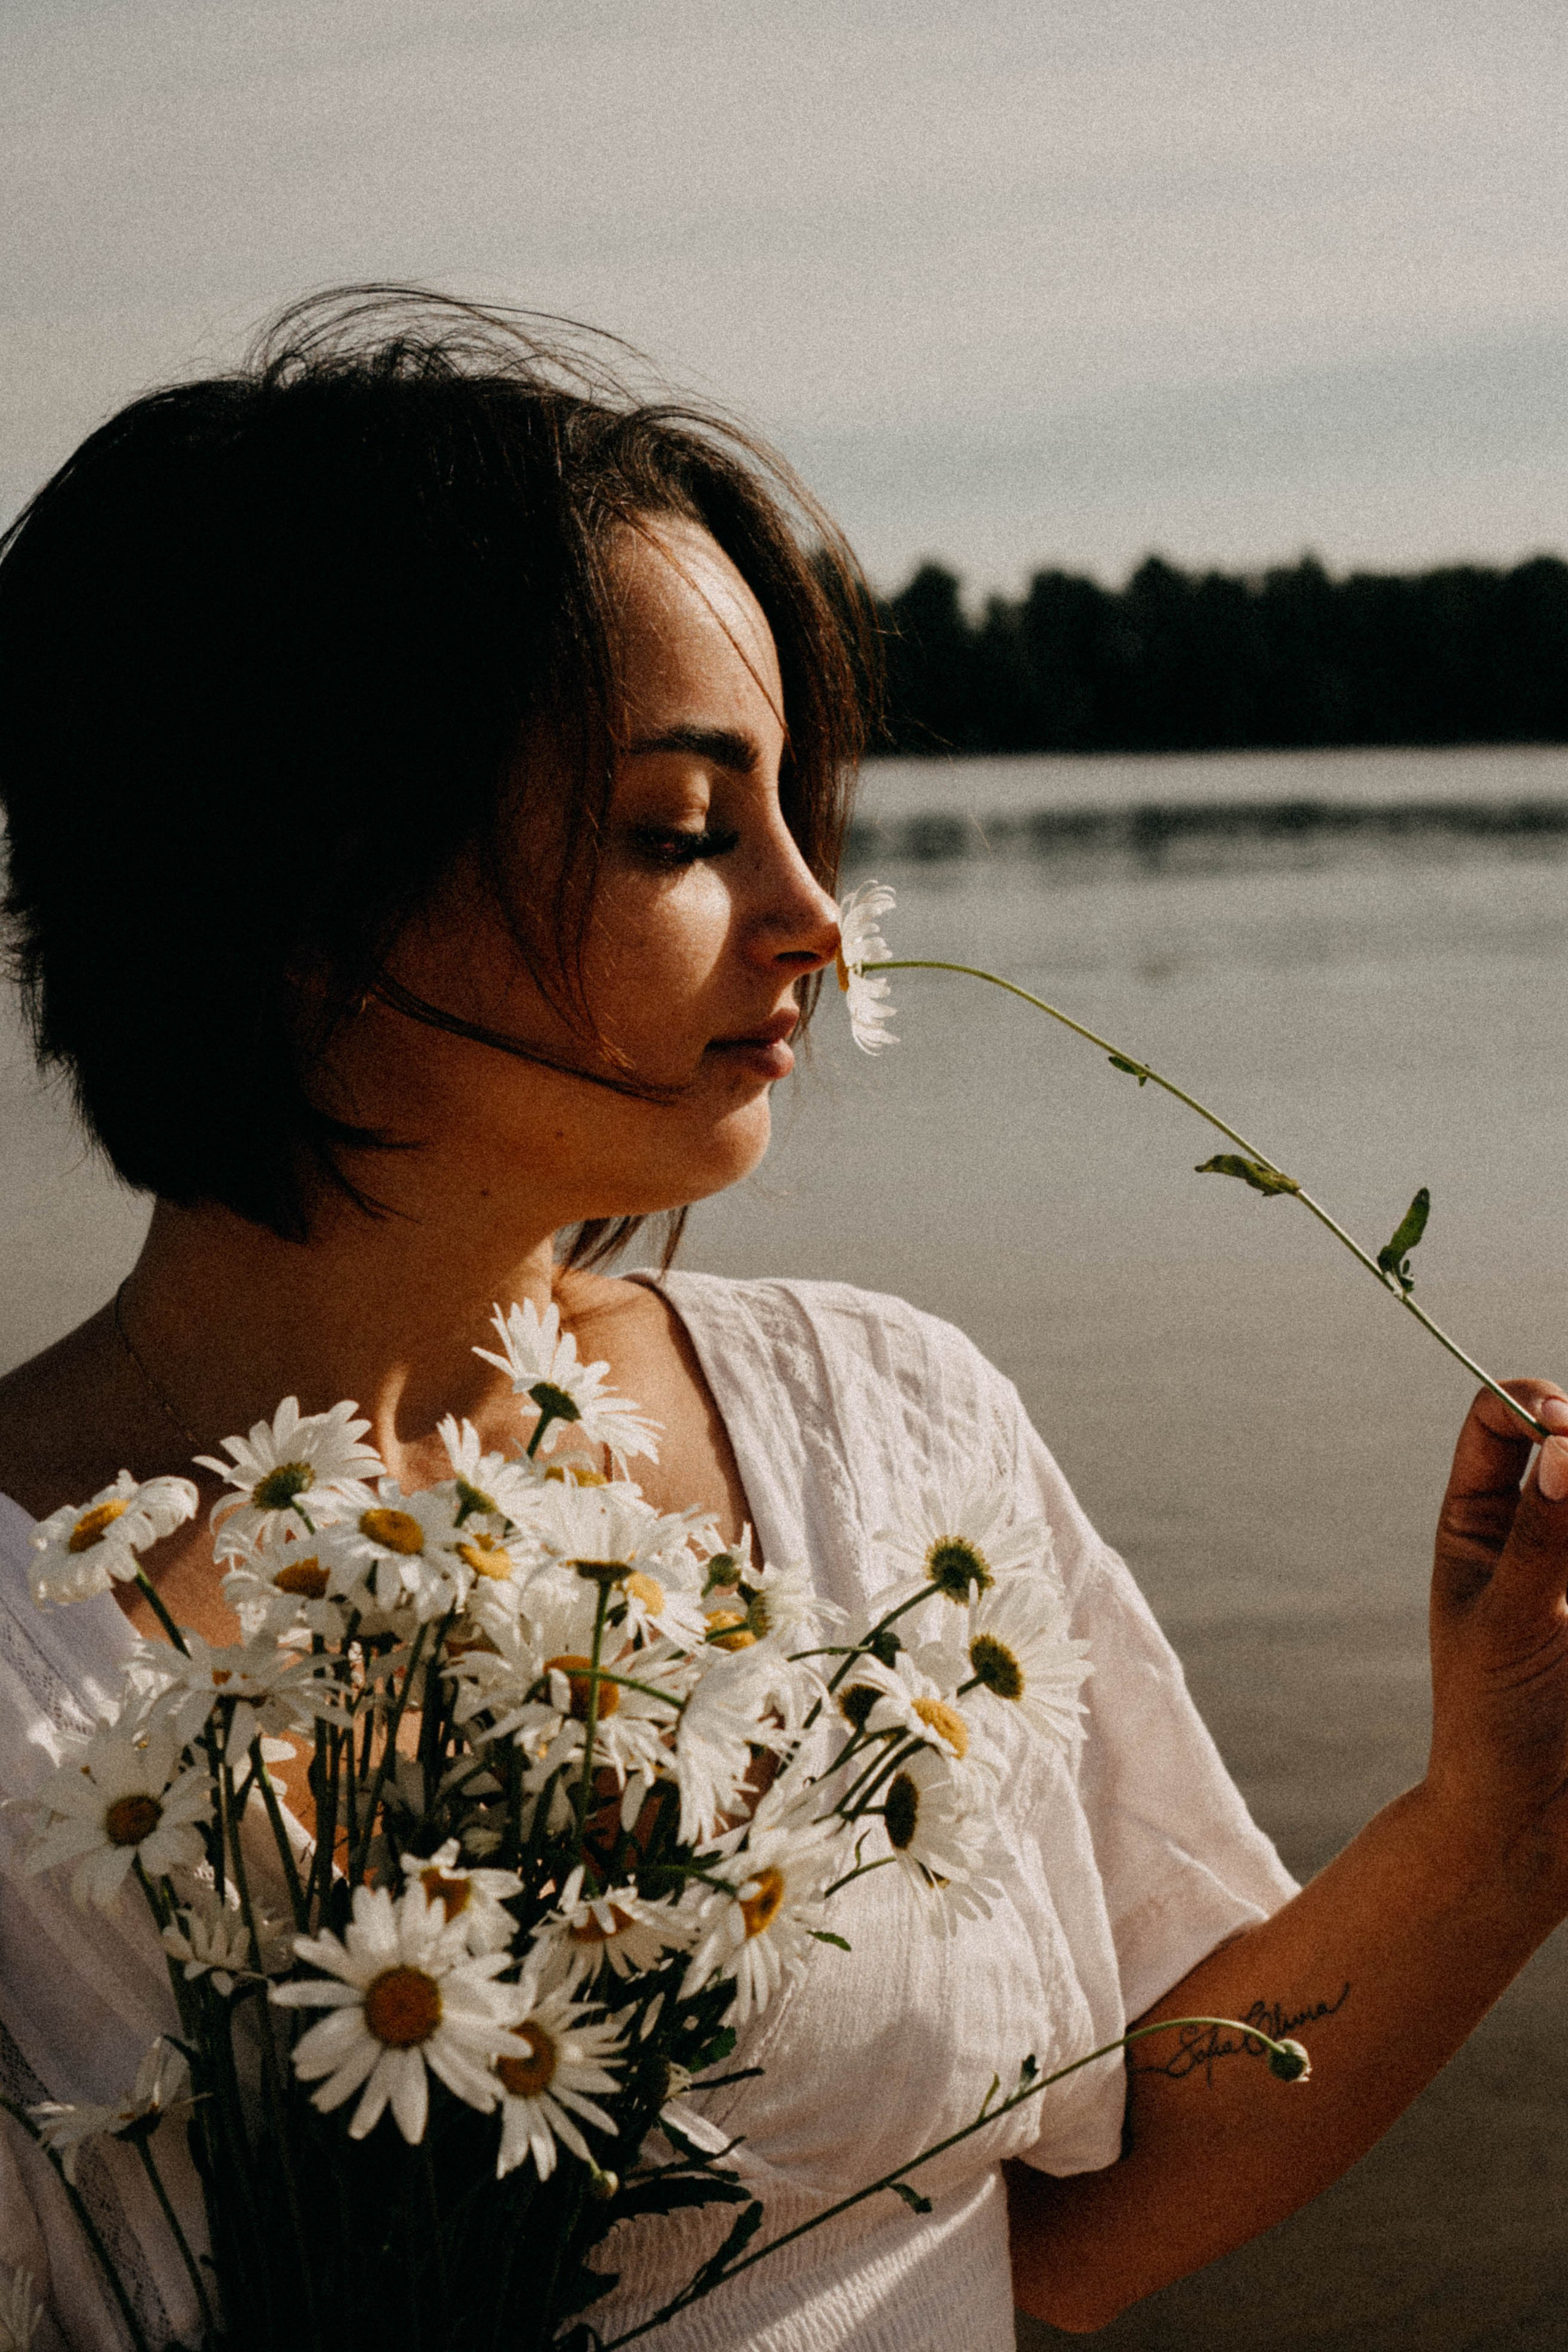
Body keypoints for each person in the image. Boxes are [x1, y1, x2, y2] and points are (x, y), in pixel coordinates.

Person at [1, 290, 1567, 2352]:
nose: (817, 918)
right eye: (679, 827)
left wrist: (1499, 1815)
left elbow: (1068, 2213)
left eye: (789, 811)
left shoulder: (885, 1429)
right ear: (306, 887)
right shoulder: (34, 1653)